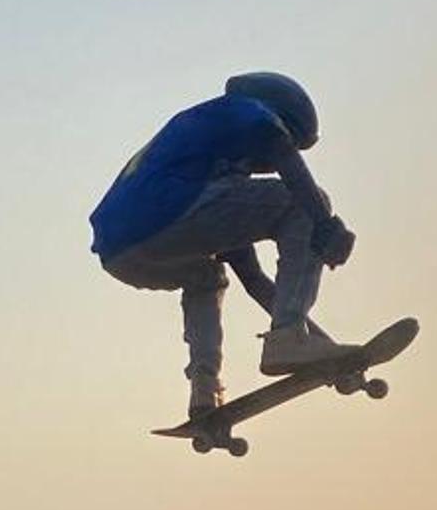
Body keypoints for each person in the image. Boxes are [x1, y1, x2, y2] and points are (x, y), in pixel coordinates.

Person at [89, 72, 359, 417]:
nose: (264, 167)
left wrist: (327, 351)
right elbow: (284, 156)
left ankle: (204, 387)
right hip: (169, 210)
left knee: (206, 277)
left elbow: (256, 282)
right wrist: (325, 224)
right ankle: (289, 335)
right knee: (304, 202)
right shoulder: (243, 109)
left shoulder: (207, 164)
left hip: (121, 250)